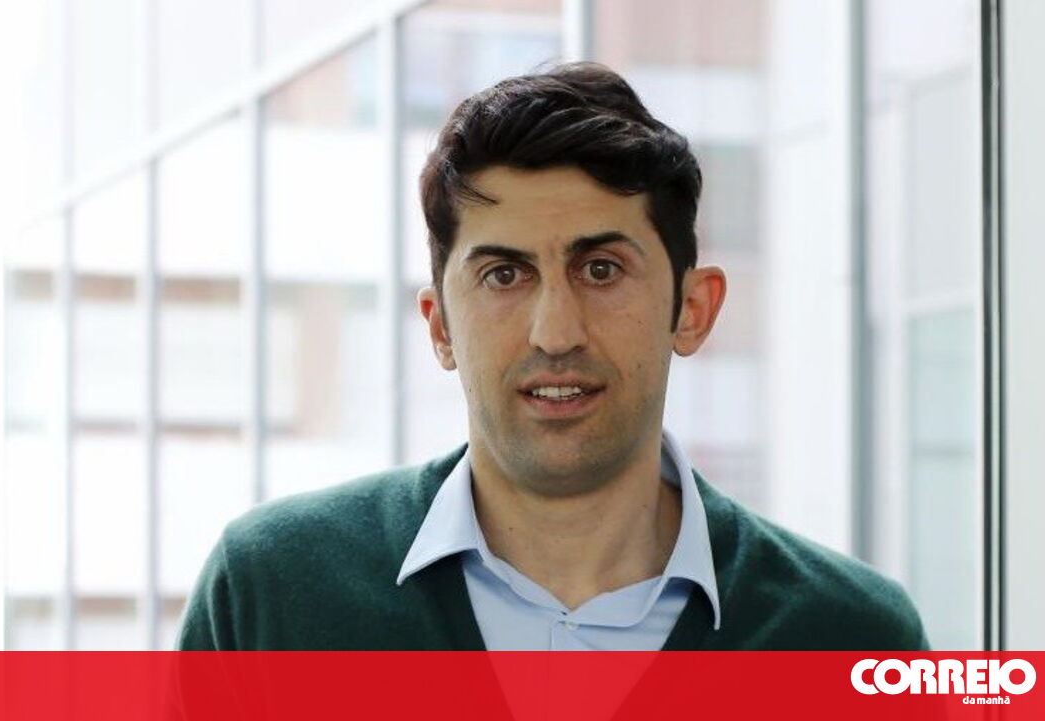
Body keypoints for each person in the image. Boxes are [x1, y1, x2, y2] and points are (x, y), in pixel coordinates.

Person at [176, 62, 929, 651]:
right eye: (504, 275)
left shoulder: (854, 637)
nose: (555, 332)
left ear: (693, 309)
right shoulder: (269, 593)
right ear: (440, 327)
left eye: (600, 269)